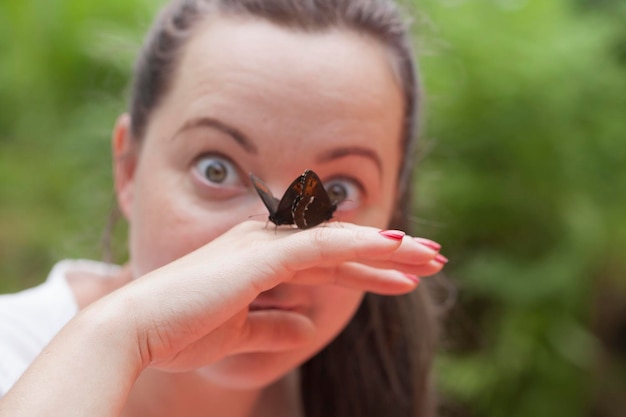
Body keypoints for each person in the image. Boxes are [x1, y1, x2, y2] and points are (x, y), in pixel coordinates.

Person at [0, 0, 449, 416]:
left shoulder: (361, 393)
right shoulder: (13, 352)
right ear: (129, 170)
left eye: (338, 190)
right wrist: (115, 339)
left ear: (392, 208)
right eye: (215, 170)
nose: (270, 254)